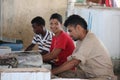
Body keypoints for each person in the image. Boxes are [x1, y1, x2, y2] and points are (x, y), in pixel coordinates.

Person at [52, 14, 117, 80]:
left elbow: (74, 62)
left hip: (103, 77)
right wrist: (54, 71)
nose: (69, 35)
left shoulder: (90, 39)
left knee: (57, 74)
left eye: (70, 31)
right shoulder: (80, 41)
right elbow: (71, 61)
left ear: (78, 28)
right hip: (88, 74)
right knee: (61, 73)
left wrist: (51, 72)